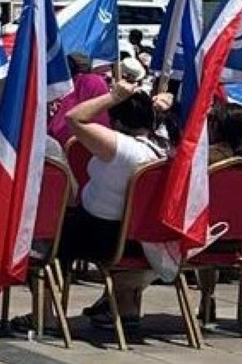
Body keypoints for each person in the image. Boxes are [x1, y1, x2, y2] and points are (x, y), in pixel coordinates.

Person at [61, 78, 170, 334]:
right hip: (143, 237)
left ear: (118, 123)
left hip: (103, 236)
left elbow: (74, 118)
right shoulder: (165, 148)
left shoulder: (124, 149)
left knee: (51, 237)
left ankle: (46, 313)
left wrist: (113, 96)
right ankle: (121, 308)